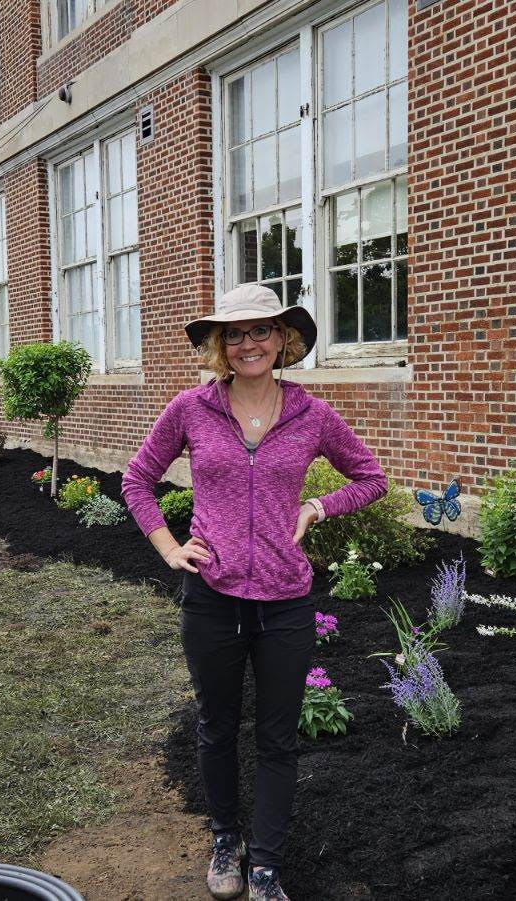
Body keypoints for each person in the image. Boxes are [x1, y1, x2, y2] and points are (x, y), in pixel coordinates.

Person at [122, 284, 387, 901]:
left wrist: (319, 506)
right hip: (212, 597)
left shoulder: (312, 415)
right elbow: (138, 480)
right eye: (235, 334)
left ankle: (265, 863)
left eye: (261, 331)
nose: (249, 344)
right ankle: (225, 837)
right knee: (216, 724)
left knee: (276, 736)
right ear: (220, 346)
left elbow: (370, 479)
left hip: (286, 599)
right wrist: (169, 547)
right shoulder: (191, 409)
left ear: (283, 339)